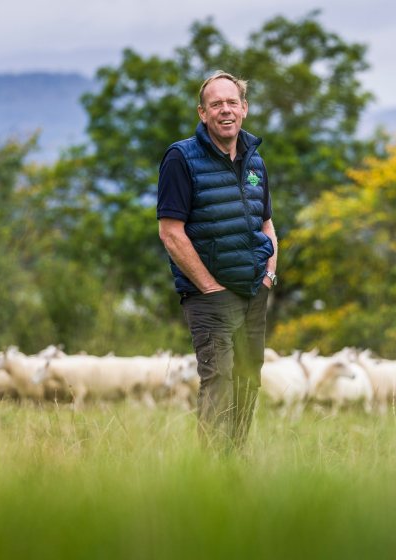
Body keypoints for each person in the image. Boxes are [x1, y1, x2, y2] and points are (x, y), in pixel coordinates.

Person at [157, 70, 277, 454]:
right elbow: (171, 232)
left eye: (231, 103)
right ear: (202, 113)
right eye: (216, 104)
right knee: (218, 380)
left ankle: (234, 460)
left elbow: (267, 223)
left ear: (244, 108)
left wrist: (269, 275)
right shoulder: (181, 158)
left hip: (253, 291)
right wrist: (209, 286)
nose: (225, 110)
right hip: (209, 297)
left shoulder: (255, 160)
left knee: (247, 380)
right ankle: (208, 472)